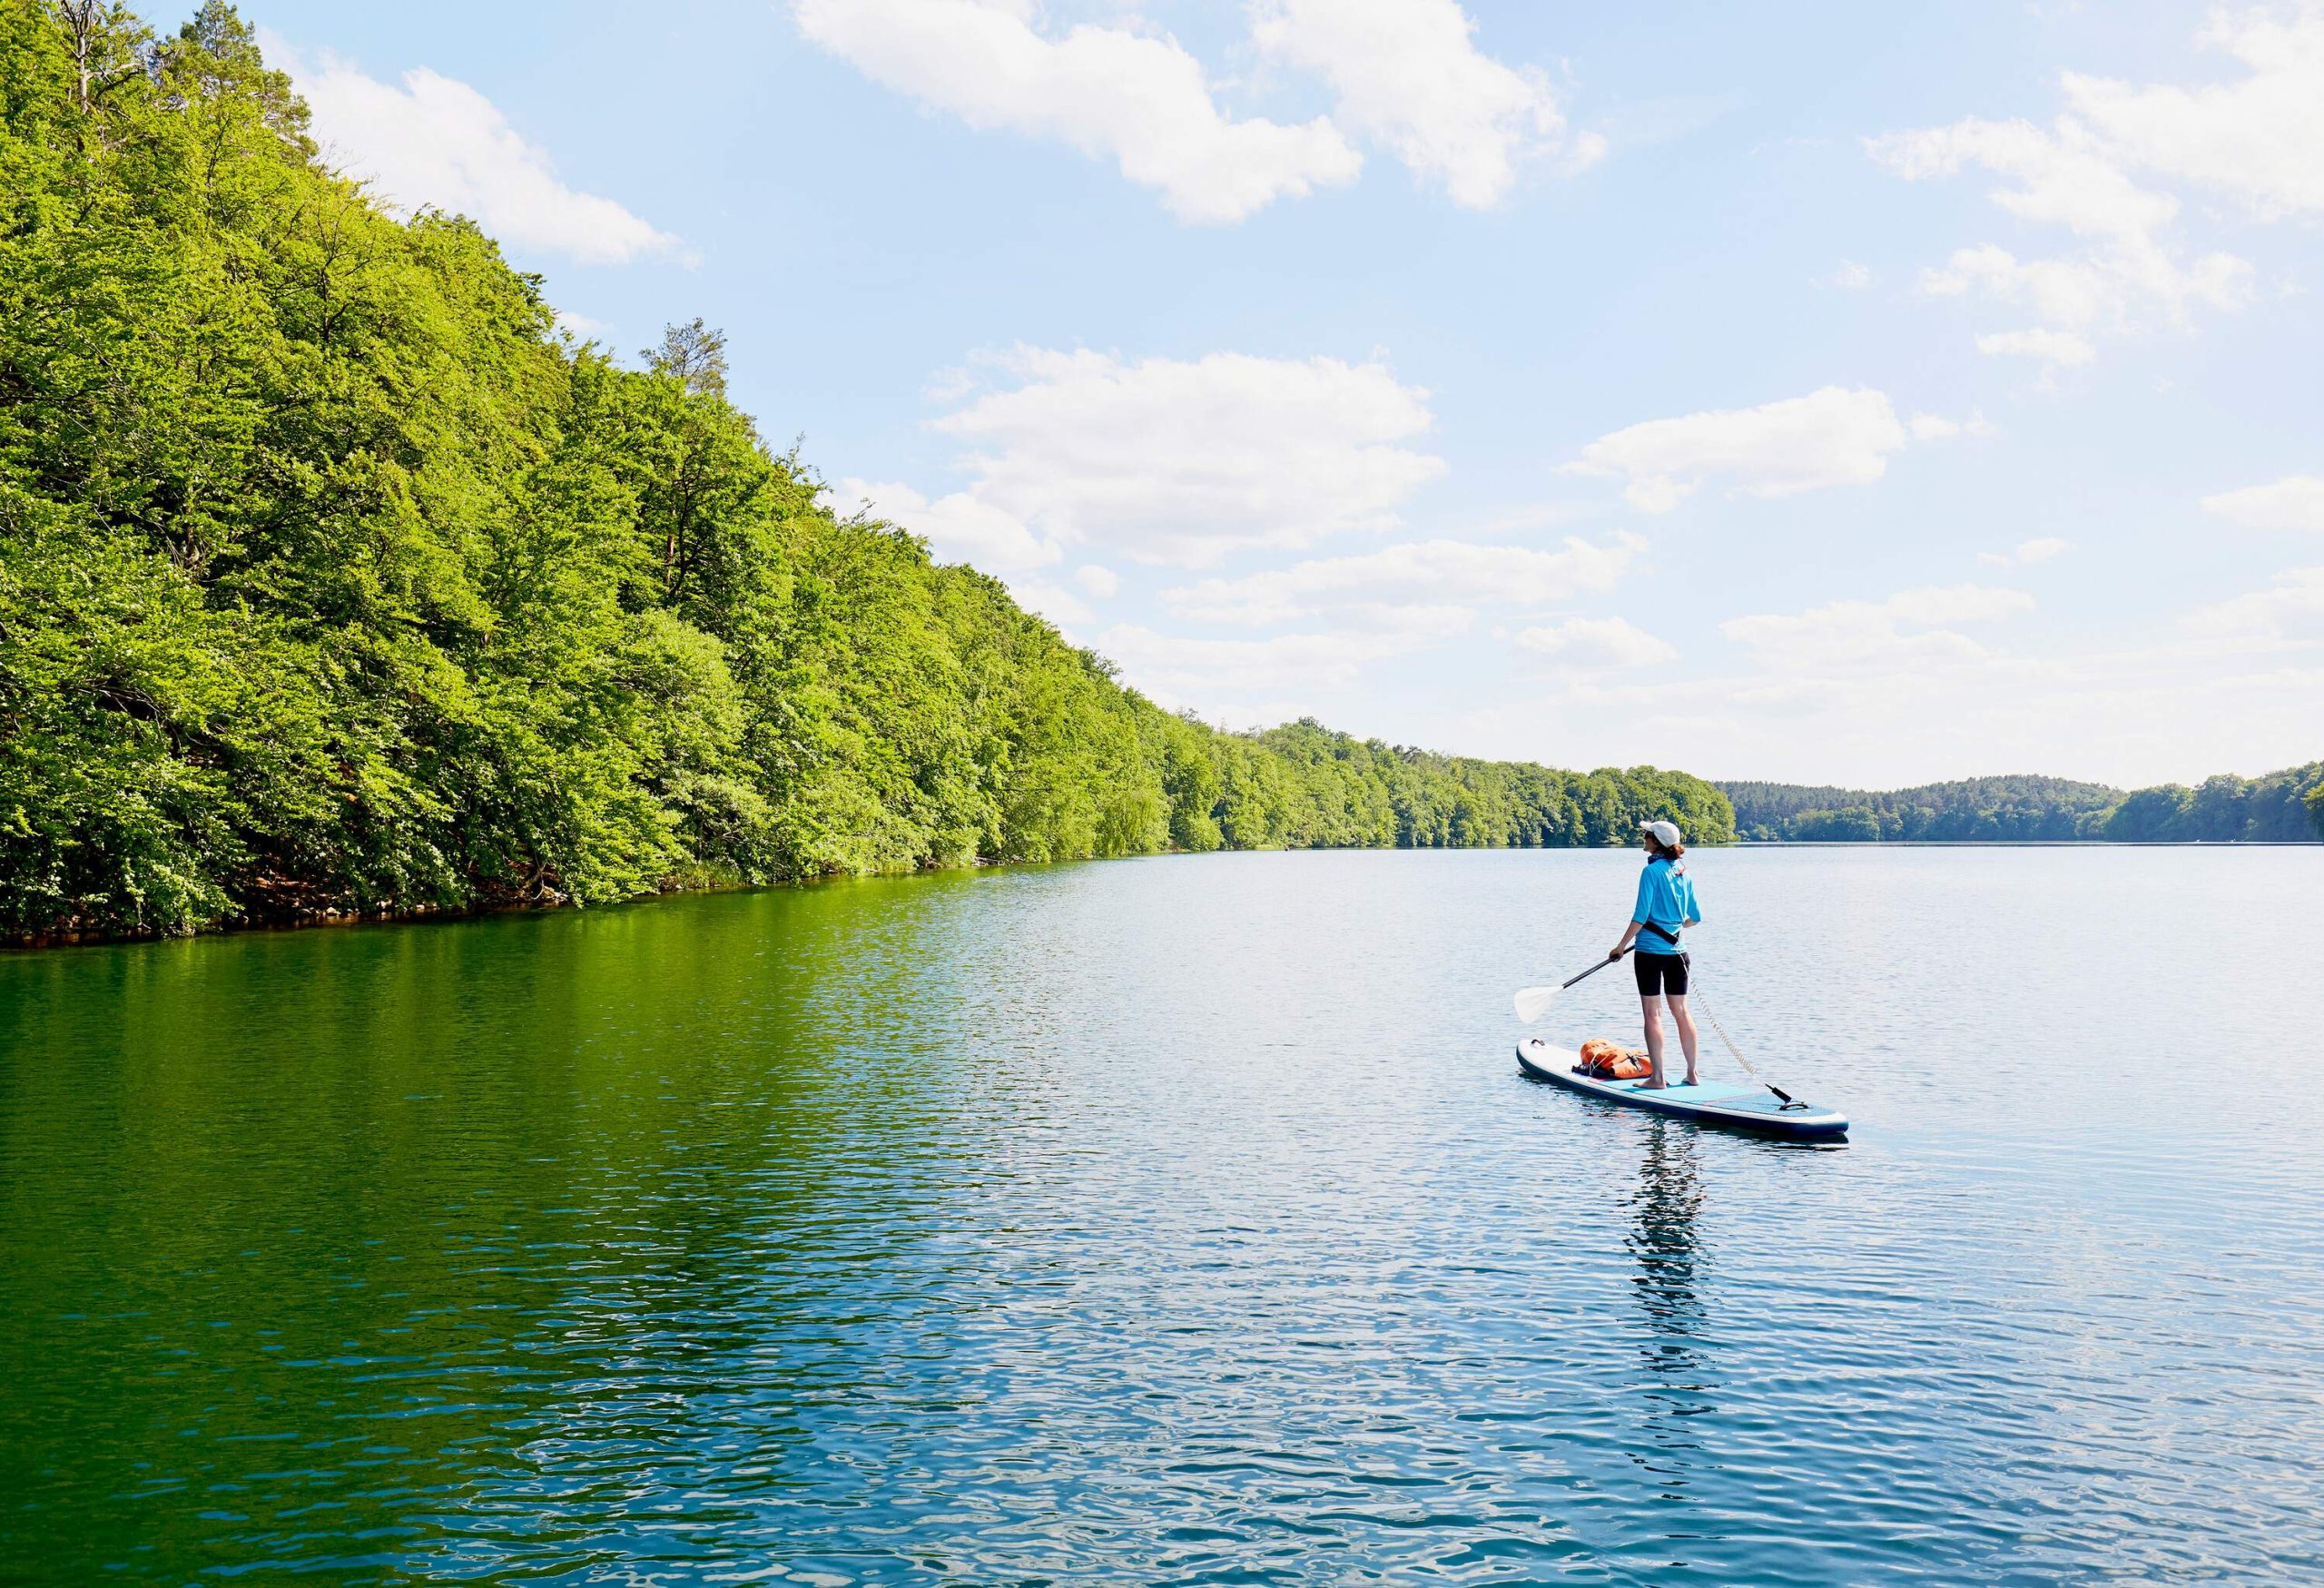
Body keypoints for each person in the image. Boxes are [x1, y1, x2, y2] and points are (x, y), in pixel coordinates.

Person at [1608, 819, 1701, 1090]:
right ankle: (1692, 1074)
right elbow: (1695, 918)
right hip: (1679, 954)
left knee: (1652, 1014)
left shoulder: (1650, 873)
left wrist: (1620, 947)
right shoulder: (1684, 872)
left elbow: (1640, 916)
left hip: (1649, 953)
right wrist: (1673, 927)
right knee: (1682, 1012)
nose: (1643, 837)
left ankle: (1658, 1078)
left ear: (1656, 842)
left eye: (1646, 834)